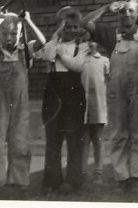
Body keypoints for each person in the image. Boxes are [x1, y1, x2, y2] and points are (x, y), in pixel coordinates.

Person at [83, 0, 138, 192]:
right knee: (118, 133)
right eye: (123, 11)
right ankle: (122, 177)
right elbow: (85, 22)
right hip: (116, 92)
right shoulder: (109, 34)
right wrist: (107, 8)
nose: (127, 15)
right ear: (118, 14)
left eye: (131, 10)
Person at [0, 6, 45, 193]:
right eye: (4, 34)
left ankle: (19, 180)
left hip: (20, 103)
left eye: (13, 34)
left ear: (20, 34)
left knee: (20, 140)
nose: (9, 38)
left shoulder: (25, 51)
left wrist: (28, 21)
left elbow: (42, 41)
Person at [34, 6, 88, 194]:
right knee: (53, 137)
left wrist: (61, 54)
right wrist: (56, 38)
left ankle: (74, 179)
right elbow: (48, 55)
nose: (72, 30)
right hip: (53, 93)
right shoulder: (52, 43)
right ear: (60, 27)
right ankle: (52, 179)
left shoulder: (82, 45)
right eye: (67, 26)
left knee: (74, 136)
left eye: (75, 27)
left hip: (73, 94)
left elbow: (77, 65)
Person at [54, 32, 110, 184]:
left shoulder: (104, 61)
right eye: (85, 41)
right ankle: (83, 171)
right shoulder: (79, 61)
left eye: (92, 41)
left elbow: (107, 81)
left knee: (98, 139)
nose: (89, 44)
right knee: (84, 140)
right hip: (82, 107)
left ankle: (98, 171)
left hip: (98, 105)